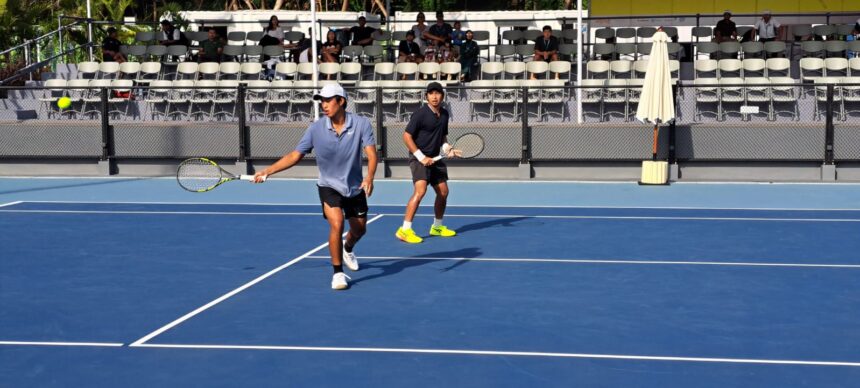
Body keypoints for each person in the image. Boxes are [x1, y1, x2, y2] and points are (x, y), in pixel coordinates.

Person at [252, 84, 377, 291]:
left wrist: (370, 176)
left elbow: (372, 154)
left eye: (328, 100)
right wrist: (268, 171)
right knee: (336, 223)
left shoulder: (362, 124)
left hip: (354, 187)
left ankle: (348, 248)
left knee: (360, 229)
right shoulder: (315, 129)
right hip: (328, 185)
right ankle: (337, 273)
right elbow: (295, 155)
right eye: (322, 101)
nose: (324, 105)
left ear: (341, 101)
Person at [396, 82, 458, 244]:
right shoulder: (420, 114)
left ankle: (437, 226)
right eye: (431, 93)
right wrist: (421, 156)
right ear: (426, 96)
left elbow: (442, 137)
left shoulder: (444, 114)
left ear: (442, 96)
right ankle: (405, 230)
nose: (434, 96)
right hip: (419, 159)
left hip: (435, 158)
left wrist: (447, 148)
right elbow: (406, 136)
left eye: (437, 93)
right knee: (420, 191)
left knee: (443, 192)